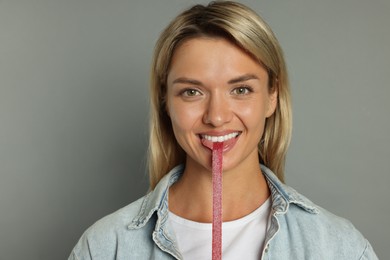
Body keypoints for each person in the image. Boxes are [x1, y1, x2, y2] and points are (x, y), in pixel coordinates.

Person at [68, 1, 378, 259]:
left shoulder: (338, 248)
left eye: (241, 90)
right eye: (192, 92)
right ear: (165, 100)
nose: (216, 117)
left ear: (272, 97)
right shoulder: (106, 247)